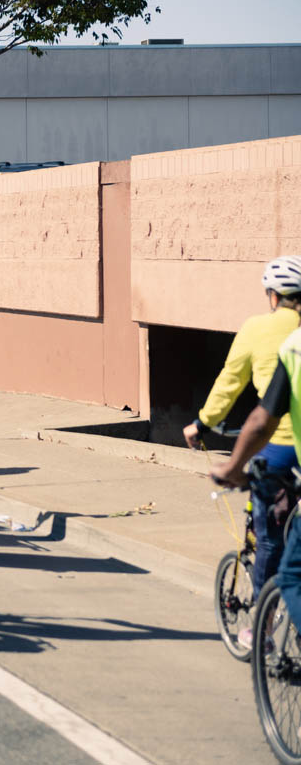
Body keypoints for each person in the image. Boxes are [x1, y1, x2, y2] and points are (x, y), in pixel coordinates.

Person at [190, 257, 301, 620]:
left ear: (273, 296)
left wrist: (203, 424)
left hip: (281, 446)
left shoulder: (261, 330)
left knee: (268, 535)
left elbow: (231, 381)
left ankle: (262, 627)